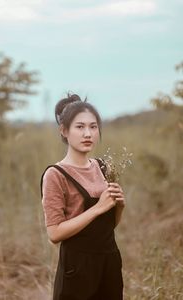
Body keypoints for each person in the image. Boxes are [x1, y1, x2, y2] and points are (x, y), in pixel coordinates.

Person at [40, 93, 125, 300]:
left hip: (109, 262)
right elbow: (54, 233)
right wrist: (98, 207)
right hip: (77, 269)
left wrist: (119, 206)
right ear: (64, 131)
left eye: (93, 127)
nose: (88, 133)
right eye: (80, 127)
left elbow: (107, 226)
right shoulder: (55, 175)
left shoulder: (103, 167)